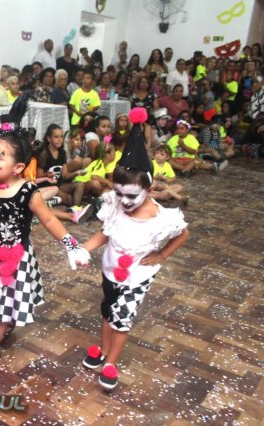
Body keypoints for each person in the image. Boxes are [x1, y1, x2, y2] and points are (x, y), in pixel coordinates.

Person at [0, 118, 90, 371]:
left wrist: (72, 245)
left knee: (4, 301)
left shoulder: (27, 192)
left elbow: (49, 219)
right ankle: (5, 324)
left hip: (13, 259)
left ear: (18, 167)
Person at [80, 118, 189, 390]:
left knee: (122, 317)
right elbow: (104, 233)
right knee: (108, 309)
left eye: (131, 196)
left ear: (149, 190)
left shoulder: (161, 217)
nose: (124, 201)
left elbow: (183, 234)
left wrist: (162, 255)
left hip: (138, 275)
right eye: (119, 194)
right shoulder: (116, 205)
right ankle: (104, 349)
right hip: (111, 269)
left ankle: (111, 362)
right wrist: (84, 248)